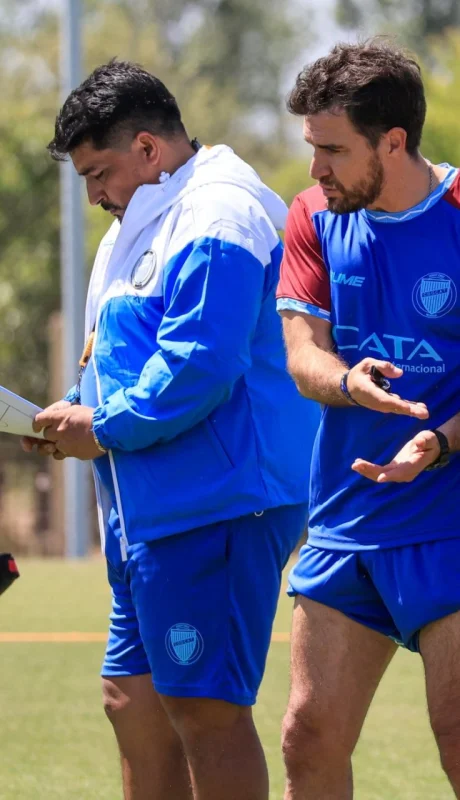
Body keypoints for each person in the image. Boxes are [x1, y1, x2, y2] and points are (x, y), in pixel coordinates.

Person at [23, 59, 314, 800]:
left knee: (205, 711)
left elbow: (200, 365)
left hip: (217, 501)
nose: (92, 194)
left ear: (149, 150)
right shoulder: (138, 222)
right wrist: (65, 413)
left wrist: (104, 425)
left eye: (98, 171)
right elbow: (124, 358)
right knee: (133, 703)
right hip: (148, 510)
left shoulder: (220, 210)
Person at [276, 39, 460, 800]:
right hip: (349, 516)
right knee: (307, 735)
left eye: (332, 150)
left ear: (394, 141)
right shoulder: (314, 215)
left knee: (457, 732)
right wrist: (348, 383)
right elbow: (302, 355)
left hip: (449, 517)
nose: (316, 168)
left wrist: (442, 441)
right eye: (312, 148)